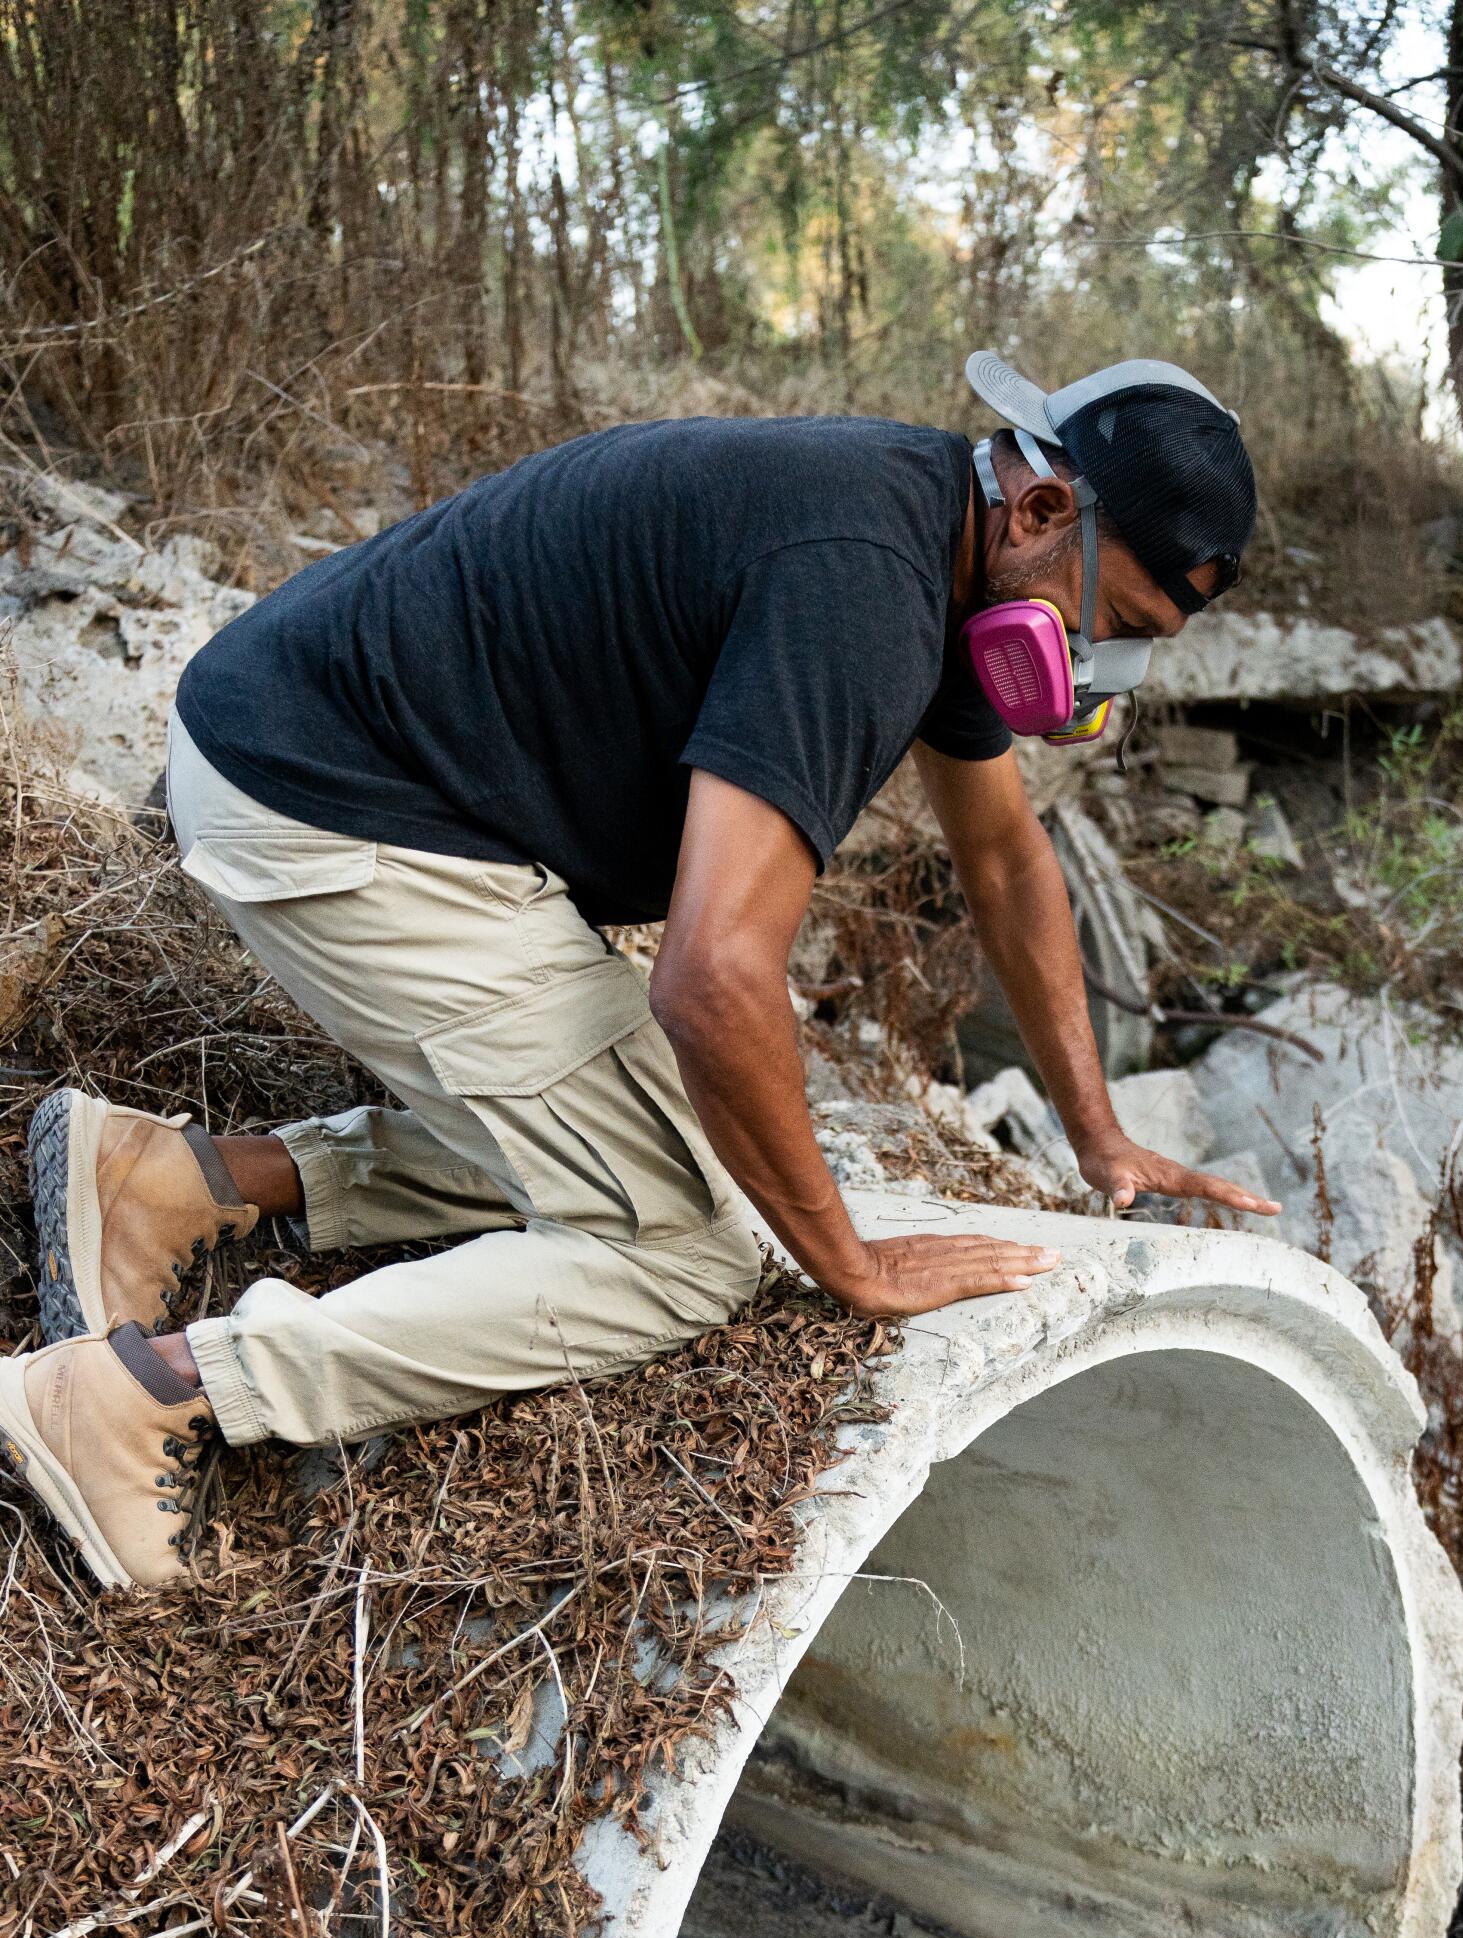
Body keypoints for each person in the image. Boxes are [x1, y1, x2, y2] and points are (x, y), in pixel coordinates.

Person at [0, 353, 1274, 1591]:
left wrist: (1097, 1133)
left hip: (326, 751)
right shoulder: (863, 589)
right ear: (1044, 508)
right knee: (686, 1248)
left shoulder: (936, 533)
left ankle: (171, 1182)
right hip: (339, 814)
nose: (1097, 665)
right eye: (1111, 622)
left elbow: (1003, 860)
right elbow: (713, 976)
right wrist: (852, 1265)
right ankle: (140, 1398)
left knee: (711, 1139)